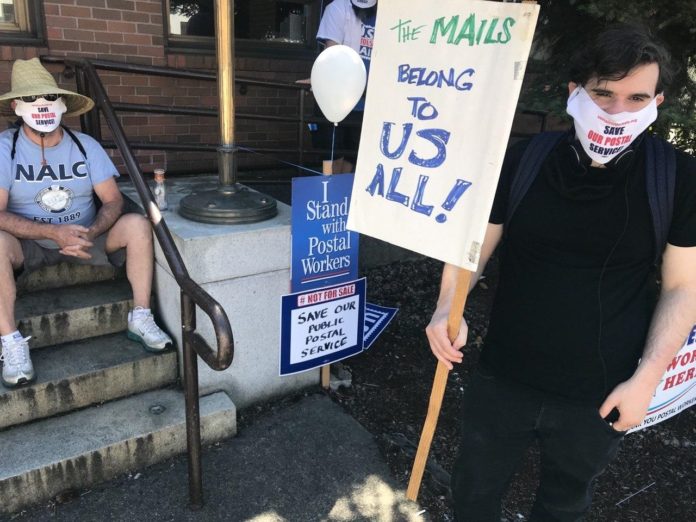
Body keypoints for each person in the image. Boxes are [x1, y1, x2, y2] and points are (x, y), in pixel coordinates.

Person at [426, 25, 696, 521]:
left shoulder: (676, 178)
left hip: (600, 392)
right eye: (603, 93)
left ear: (657, 101)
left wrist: (646, 381)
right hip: (503, 375)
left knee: (564, 506)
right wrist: (448, 306)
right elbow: (471, 250)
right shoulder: (524, 159)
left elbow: (683, 288)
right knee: (473, 495)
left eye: (637, 97)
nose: (618, 112)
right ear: (575, 92)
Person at [0, 58, 172, 388]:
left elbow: (113, 200)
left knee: (138, 224)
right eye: (33, 99)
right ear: (15, 106)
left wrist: (90, 232)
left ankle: (141, 316)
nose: (43, 106)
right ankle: (10, 341)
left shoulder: (84, 145)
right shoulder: (5, 149)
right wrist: (52, 232)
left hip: (87, 235)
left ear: (62, 104)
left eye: (50, 98)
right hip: (29, 243)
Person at [313, 0, 377, 173]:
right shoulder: (338, 8)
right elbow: (332, 51)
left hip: (370, 99)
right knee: (334, 153)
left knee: (354, 154)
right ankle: (332, 195)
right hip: (338, 95)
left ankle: (343, 194)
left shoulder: (387, 12)